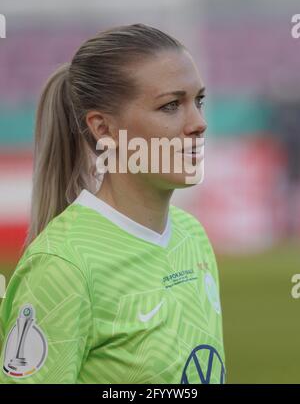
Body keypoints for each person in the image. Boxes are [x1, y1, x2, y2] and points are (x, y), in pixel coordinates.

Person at [0, 23, 225, 384]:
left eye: (198, 101)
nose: (198, 123)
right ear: (103, 129)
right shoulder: (63, 266)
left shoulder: (191, 235)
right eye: (171, 106)